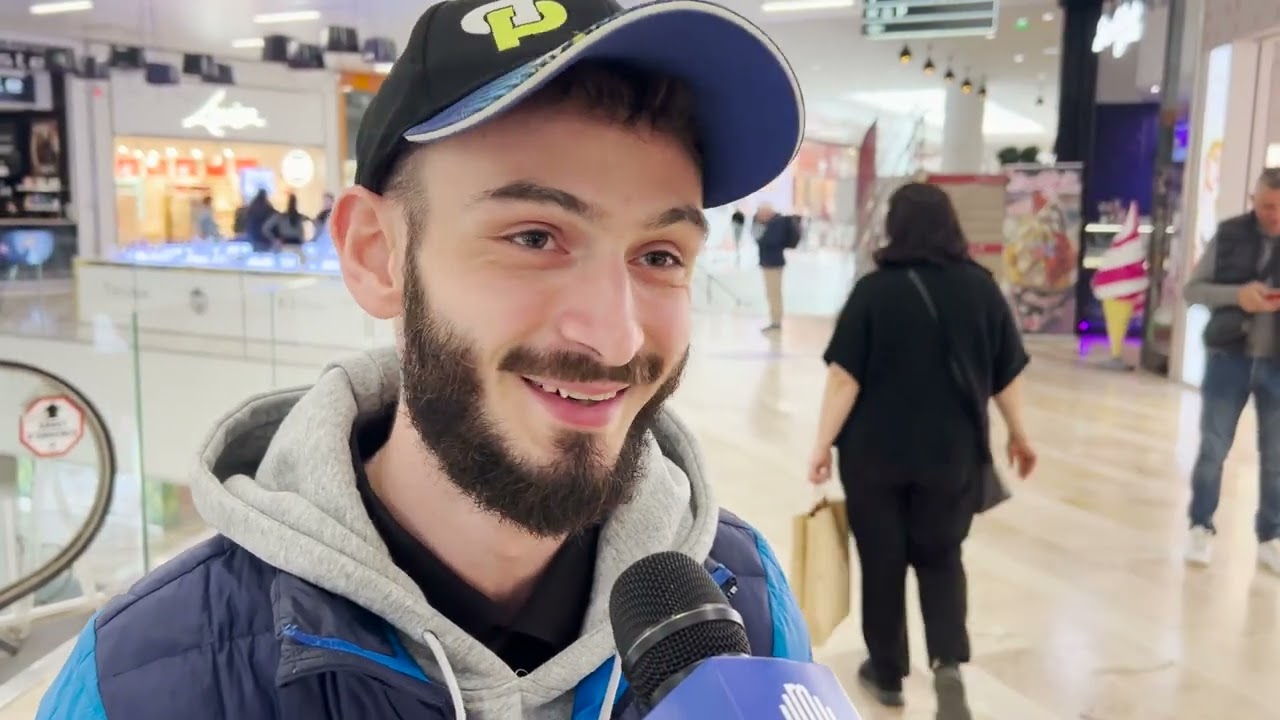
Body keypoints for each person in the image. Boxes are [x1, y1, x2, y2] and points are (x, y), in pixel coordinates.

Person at [36, 1, 810, 718]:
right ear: (376, 256)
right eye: (534, 237)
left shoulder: (745, 608)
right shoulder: (141, 679)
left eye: (660, 254)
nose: (615, 338)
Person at [806, 183, 1035, 720]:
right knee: (941, 558)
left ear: (895, 227)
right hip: (951, 455)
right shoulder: (981, 289)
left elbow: (844, 381)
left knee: (882, 563)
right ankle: (948, 666)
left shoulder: (873, 291)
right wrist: (1019, 435)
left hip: (873, 456)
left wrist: (820, 445)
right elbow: (1007, 373)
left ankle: (886, 674)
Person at [1183, 168, 1280, 573]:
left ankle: (1270, 535)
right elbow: (1193, 291)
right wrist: (1237, 297)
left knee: (1276, 457)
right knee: (1213, 449)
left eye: (1277, 208)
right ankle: (1200, 525)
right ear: (1253, 200)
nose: (1271, 215)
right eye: (1264, 206)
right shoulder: (1229, 235)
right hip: (1228, 358)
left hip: (1276, 364)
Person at [754, 201, 790, 332]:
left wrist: (763, 234)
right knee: (770, 293)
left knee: (774, 292)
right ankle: (774, 319)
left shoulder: (777, 223)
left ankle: (776, 321)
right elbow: (755, 236)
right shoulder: (767, 223)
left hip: (774, 263)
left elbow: (770, 241)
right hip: (767, 262)